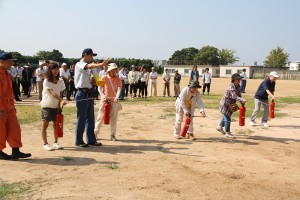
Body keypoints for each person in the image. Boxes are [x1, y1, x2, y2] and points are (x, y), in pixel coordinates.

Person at [74, 48, 109, 147]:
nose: (92, 57)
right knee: (81, 118)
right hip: (82, 93)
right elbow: (89, 65)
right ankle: (79, 140)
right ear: (85, 55)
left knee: (90, 118)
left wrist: (96, 80)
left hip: (88, 93)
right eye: (91, 55)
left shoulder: (89, 69)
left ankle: (91, 140)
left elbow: (91, 79)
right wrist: (101, 64)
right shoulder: (79, 64)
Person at [0, 52, 31, 160]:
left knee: (14, 127)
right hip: (1, 106)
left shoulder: (8, 74)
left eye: (12, 61)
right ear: (1, 61)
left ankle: (16, 151)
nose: (11, 63)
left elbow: (10, 92)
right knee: (1, 129)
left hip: (9, 105)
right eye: (9, 61)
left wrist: (12, 105)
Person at [40, 63, 67, 151]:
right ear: (50, 70)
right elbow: (52, 92)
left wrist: (60, 103)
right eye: (53, 69)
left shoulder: (60, 81)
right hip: (46, 106)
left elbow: (61, 93)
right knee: (45, 124)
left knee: (56, 125)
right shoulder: (46, 81)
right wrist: (61, 100)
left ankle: (56, 142)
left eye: (57, 69)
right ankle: (45, 143)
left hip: (56, 106)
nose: (56, 71)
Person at [94, 63, 122, 141]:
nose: (113, 72)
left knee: (114, 118)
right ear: (108, 71)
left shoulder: (118, 79)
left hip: (114, 101)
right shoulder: (104, 78)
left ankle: (112, 135)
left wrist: (116, 97)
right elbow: (99, 89)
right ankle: (95, 134)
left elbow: (119, 89)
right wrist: (103, 96)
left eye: (115, 70)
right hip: (104, 101)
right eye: (112, 70)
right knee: (100, 117)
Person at [217, 73, 247, 138]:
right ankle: (228, 132)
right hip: (225, 103)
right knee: (227, 118)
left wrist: (242, 103)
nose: (240, 80)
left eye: (240, 79)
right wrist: (241, 99)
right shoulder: (231, 86)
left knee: (226, 115)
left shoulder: (238, 86)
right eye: (238, 79)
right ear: (234, 80)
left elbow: (239, 95)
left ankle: (219, 126)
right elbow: (234, 96)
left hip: (231, 104)